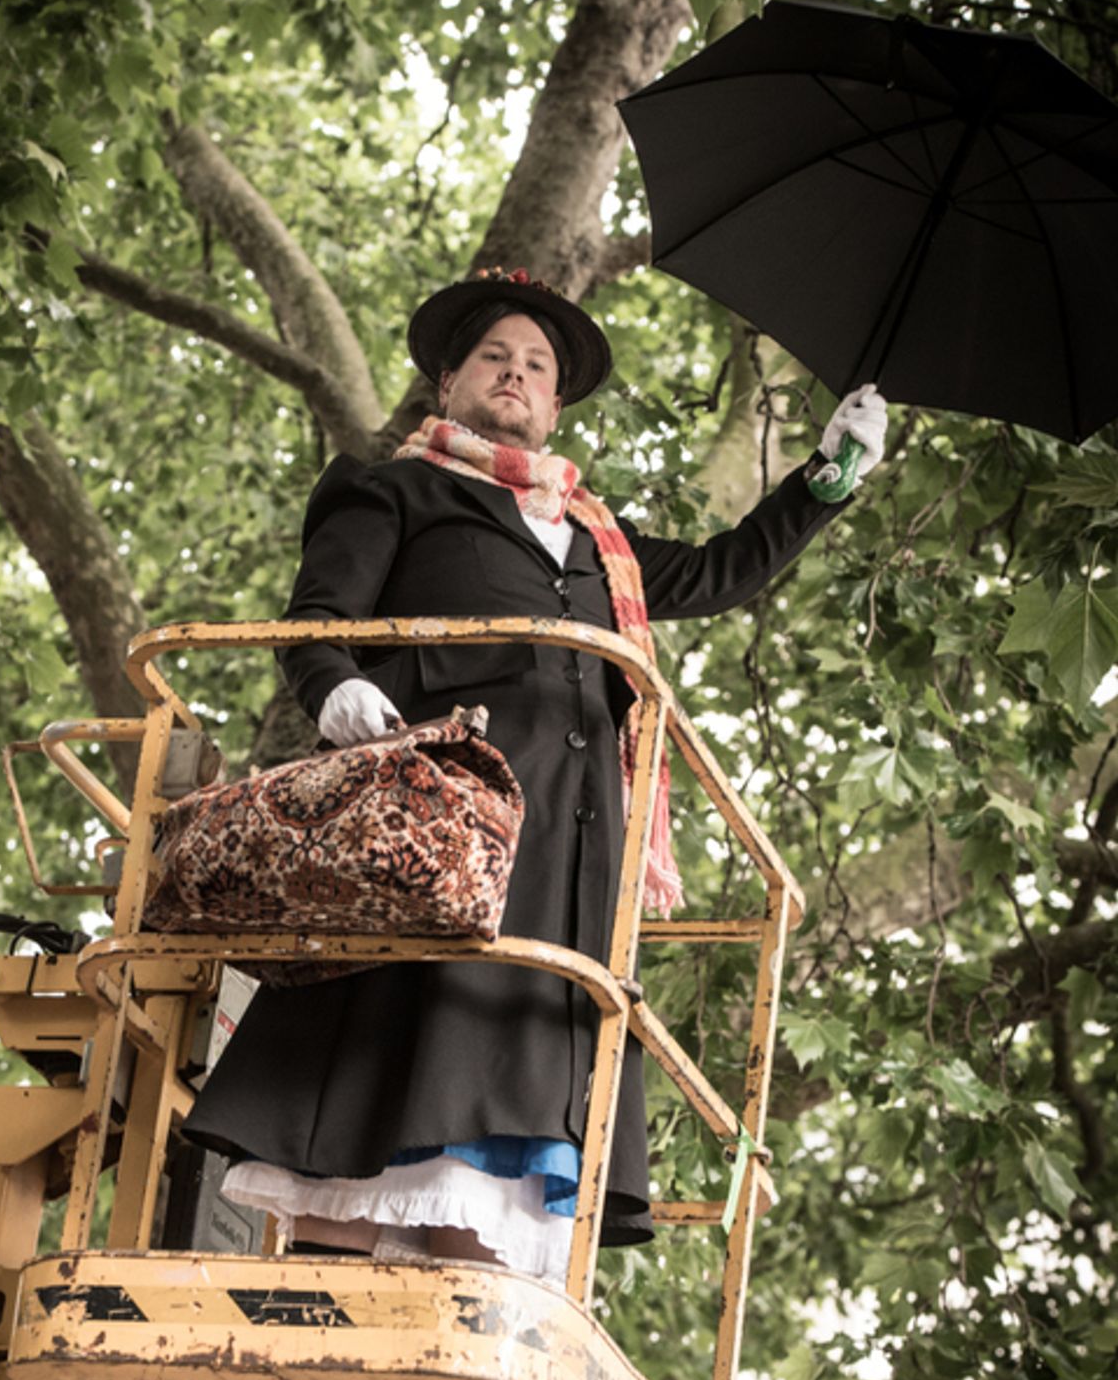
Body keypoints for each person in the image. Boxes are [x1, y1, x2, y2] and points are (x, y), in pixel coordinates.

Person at [180, 268, 887, 1281]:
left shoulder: (598, 541)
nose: (514, 376)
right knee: (389, 1045)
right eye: (493, 359)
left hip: (567, 849)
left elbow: (722, 570)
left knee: (512, 1070)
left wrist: (825, 474)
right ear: (447, 384)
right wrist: (332, 686)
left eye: (536, 367)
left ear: (554, 406)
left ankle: (465, 1297)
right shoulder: (393, 489)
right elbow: (315, 618)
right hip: (438, 822)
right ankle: (325, 1284)